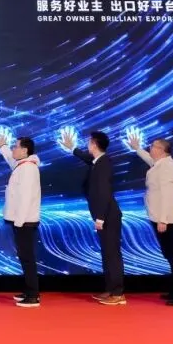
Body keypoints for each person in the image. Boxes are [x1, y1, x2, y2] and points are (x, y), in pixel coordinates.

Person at [61, 129, 125, 305]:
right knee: (107, 253)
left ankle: (118, 293)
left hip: (108, 216)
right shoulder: (98, 161)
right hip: (104, 215)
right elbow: (87, 158)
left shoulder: (103, 163)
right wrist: (72, 148)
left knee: (112, 254)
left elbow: (104, 191)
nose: (87, 144)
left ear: (94, 145)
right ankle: (111, 289)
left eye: (89, 142)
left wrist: (100, 217)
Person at [128, 132, 173, 306]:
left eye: (153, 146)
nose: (150, 148)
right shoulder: (161, 163)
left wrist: (163, 219)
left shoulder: (166, 167)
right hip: (159, 217)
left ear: (162, 150)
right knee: (170, 255)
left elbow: (168, 195)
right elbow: (150, 160)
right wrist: (137, 148)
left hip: (166, 220)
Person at [0, 133, 41, 308]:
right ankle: (29, 291)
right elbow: (10, 159)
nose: (13, 149)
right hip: (21, 221)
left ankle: (33, 295)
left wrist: (19, 221)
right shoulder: (22, 165)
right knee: (24, 256)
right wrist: (3, 147)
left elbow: (25, 197)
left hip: (24, 221)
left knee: (27, 257)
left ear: (25, 150)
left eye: (15, 147)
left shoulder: (28, 168)